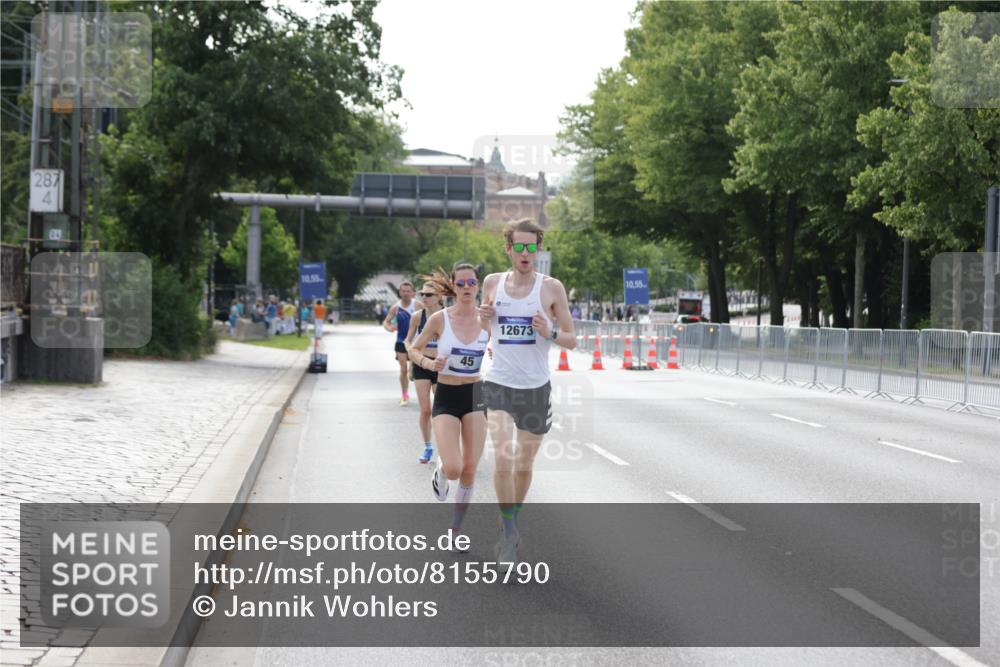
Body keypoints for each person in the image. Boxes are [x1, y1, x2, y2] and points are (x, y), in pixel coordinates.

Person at [478, 218, 576, 565]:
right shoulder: (492, 283)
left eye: (531, 246)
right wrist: (482, 316)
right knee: (503, 457)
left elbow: (572, 339)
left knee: (523, 463)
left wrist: (549, 331)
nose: (525, 253)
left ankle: (511, 519)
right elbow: (484, 327)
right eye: (518, 246)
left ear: (538, 248)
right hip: (499, 382)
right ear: (508, 248)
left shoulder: (551, 288)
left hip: (535, 387)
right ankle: (509, 534)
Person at [409, 265, 490, 542]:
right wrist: (430, 363)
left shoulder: (488, 320)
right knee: (454, 468)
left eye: (472, 282)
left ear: (478, 286)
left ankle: (456, 530)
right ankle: (441, 471)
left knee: (470, 469)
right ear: (453, 287)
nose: (467, 287)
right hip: (446, 393)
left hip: (476, 394)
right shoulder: (440, 319)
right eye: (461, 283)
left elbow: (506, 348)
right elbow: (413, 349)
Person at [405, 283, 443, 464]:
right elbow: (408, 339)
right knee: (426, 410)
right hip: (421, 364)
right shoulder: (417, 317)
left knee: (441, 411)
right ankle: (428, 446)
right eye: (422, 294)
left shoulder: (446, 315)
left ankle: (444, 447)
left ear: (439, 297)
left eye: (429, 294)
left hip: (441, 366)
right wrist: (411, 352)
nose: (424, 298)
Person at [383, 281, 416, 406]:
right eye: (403, 291)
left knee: (412, 371)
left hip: (415, 343)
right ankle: (404, 395)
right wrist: (389, 327)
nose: (406, 293)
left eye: (408, 291)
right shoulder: (396, 307)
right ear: (400, 292)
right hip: (401, 341)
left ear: (412, 293)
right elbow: (386, 322)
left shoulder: (418, 305)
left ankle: (413, 370)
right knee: (403, 370)